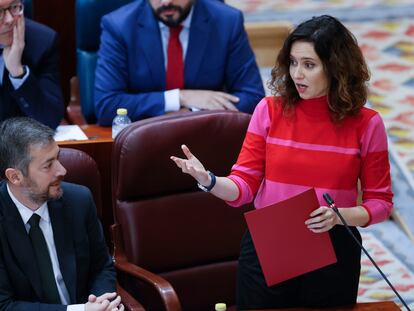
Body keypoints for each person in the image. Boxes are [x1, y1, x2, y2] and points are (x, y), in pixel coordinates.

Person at [171, 15, 393, 309]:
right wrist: (208, 180)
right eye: (293, 62)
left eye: (309, 65)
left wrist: (341, 216)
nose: (297, 73)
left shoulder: (367, 124)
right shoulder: (269, 111)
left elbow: (381, 203)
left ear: (336, 68)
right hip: (270, 242)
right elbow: (243, 188)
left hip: (334, 243)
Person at [0, 117, 124, 310]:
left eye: (57, 157)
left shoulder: (79, 200)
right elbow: (5, 306)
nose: (62, 170)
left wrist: (102, 303)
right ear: (15, 177)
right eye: (48, 165)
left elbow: (101, 267)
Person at [94, 0, 265, 125]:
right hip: (142, 144)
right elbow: (106, 105)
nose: (166, 2)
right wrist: (181, 97)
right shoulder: (119, 26)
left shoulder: (227, 21)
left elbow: (253, 98)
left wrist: (192, 113)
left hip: (205, 138)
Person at [0, 0, 64, 129]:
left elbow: (50, 120)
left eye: (14, 7)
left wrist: (18, 72)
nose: (9, 19)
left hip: (17, 144)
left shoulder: (42, 42)